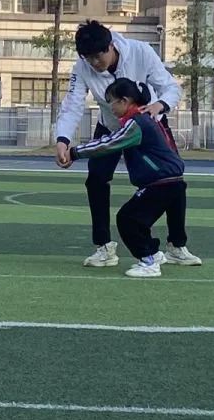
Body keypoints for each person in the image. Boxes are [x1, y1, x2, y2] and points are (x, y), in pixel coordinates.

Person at [54, 20, 183, 269]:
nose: (94, 63)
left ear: (110, 46)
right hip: (111, 127)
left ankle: (177, 245)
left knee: (173, 178)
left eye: (98, 56)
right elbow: (72, 104)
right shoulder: (81, 67)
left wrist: (160, 105)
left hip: (148, 124)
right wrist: (63, 139)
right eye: (88, 58)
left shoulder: (141, 51)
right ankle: (104, 247)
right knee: (96, 179)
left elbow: (170, 87)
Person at [68, 78, 201, 278]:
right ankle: (154, 253)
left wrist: (74, 152)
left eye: (111, 102)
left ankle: (148, 261)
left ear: (124, 101)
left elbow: (109, 143)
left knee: (128, 219)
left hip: (160, 183)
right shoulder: (144, 119)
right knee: (138, 220)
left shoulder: (136, 123)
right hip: (172, 181)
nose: (109, 107)